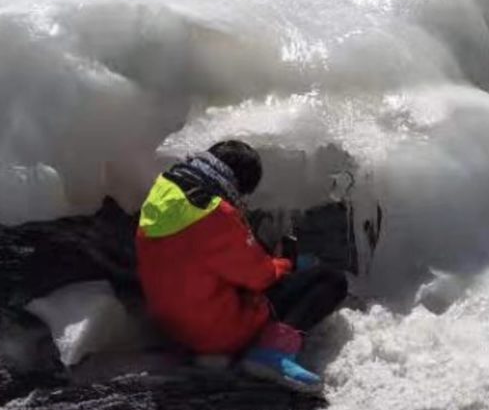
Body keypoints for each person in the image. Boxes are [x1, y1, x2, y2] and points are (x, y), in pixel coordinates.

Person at [136, 140, 348, 393]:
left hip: (171, 326)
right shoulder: (215, 214)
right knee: (331, 280)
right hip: (214, 334)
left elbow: (205, 255)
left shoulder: (164, 190)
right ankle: (271, 353)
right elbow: (261, 277)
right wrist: (285, 263)